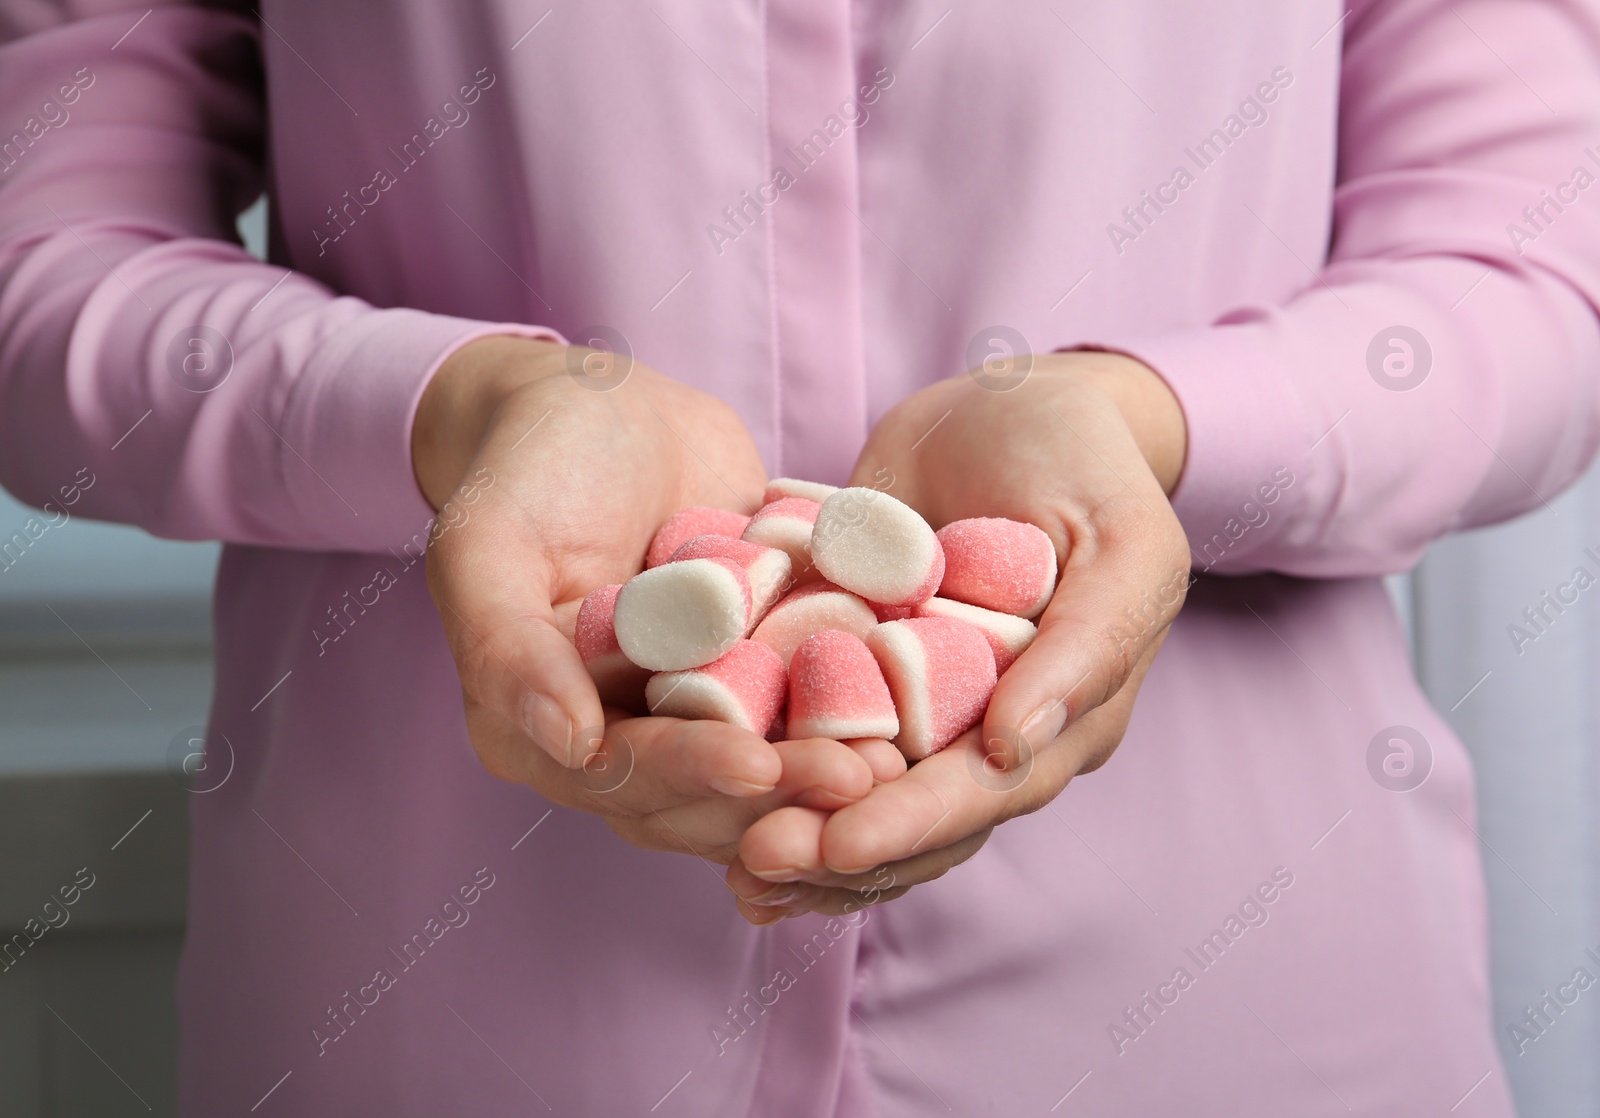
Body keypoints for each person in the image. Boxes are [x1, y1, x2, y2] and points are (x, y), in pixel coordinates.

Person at [2, 1, 1597, 1114]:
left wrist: (1160, 426)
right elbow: (43, 256)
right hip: (432, 1021)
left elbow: (1539, 274)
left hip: (1245, 1013)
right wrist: (452, 408)